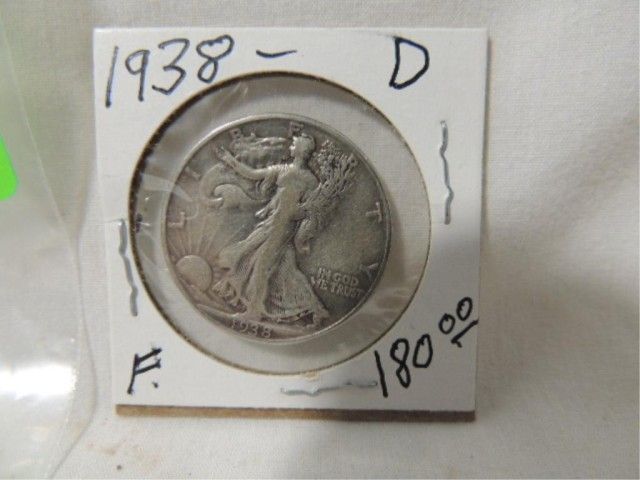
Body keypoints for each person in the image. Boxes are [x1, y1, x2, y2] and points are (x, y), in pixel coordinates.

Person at [211, 133, 329, 325]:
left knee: (260, 266)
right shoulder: (286, 170)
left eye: (294, 145)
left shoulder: (309, 181)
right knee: (285, 268)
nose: (291, 147)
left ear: (301, 150)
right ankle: (318, 309)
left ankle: (254, 312)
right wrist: (229, 160)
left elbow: (310, 210)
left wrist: (296, 221)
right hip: (273, 223)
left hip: (282, 227)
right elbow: (252, 174)